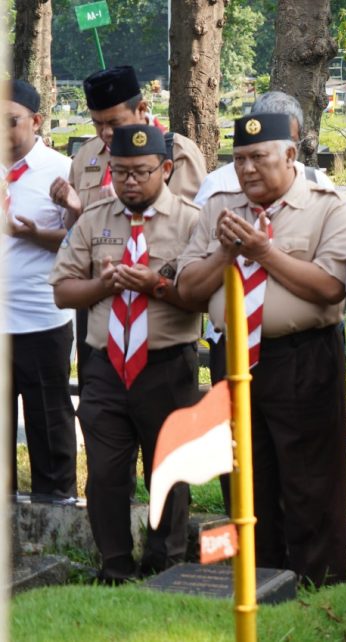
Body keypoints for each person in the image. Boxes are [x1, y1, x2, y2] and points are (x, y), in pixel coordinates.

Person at [177, 113, 346, 587]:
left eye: (259, 157)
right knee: (243, 476)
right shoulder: (218, 205)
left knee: (309, 482)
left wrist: (263, 253)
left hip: (301, 357)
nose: (248, 169)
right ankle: (255, 582)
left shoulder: (327, 205)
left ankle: (316, 586)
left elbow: (331, 287)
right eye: (239, 159)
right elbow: (189, 290)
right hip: (231, 356)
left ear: (291, 156)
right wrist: (225, 253)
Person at [49, 124, 202, 583]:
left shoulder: (193, 221)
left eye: (141, 172)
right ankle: (115, 566)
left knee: (168, 471)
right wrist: (103, 284)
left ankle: (165, 563)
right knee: (107, 472)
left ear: (167, 169)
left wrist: (156, 285)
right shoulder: (95, 219)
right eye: (120, 172)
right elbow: (62, 291)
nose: (129, 182)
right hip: (106, 366)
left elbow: (202, 297)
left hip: (167, 365)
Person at [48, 65, 206, 380]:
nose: (106, 133)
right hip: (100, 306)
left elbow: (190, 227)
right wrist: (74, 206)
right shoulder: (87, 156)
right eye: (97, 124)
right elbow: (73, 230)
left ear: (142, 108)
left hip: (162, 313)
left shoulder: (177, 151)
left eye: (114, 122)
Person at [4, 79, 77, 504]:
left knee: (48, 413)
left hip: (40, 314)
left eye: (10, 121)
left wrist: (32, 234)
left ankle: (56, 501)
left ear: (35, 120)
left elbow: (79, 241)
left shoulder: (60, 171)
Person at [194, 90, 335, 206]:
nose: (283, 149)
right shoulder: (217, 186)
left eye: (290, 141)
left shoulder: (318, 183)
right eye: (272, 139)